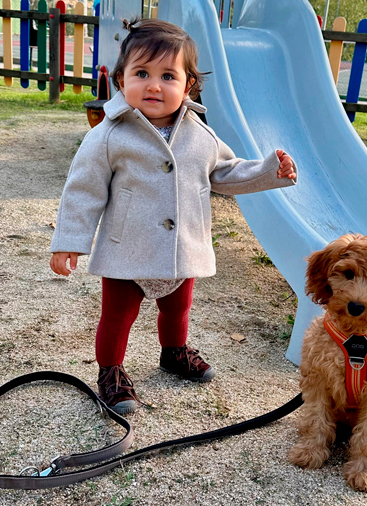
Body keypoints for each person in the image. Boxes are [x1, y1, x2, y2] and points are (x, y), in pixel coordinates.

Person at [49, 18, 297, 414]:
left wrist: (269, 170)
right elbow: (84, 190)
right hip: (126, 247)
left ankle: (174, 352)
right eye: (141, 73)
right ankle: (110, 372)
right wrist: (69, 242)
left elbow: (224, 171)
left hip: (182, 246)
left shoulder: (199, 132)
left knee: (177, 307)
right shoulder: (110, 134)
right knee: (117, 316)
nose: (154, 85)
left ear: (188, 85)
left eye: (168, 76)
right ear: (120, 79)